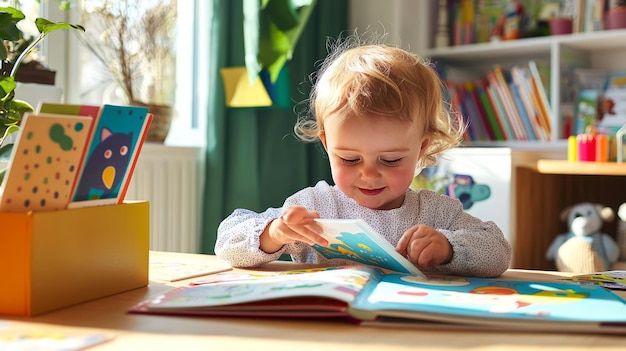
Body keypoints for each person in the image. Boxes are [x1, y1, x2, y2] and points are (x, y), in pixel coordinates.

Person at [215, 34, 512, 278]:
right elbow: (227, 243)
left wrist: (447, 247)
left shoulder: (436, 213)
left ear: (421, 148)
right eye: (350, 159)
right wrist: (275, 233)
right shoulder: (313, 206)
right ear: (327, 144)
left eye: (391, 160)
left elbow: (498, 252)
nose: (369, 175)